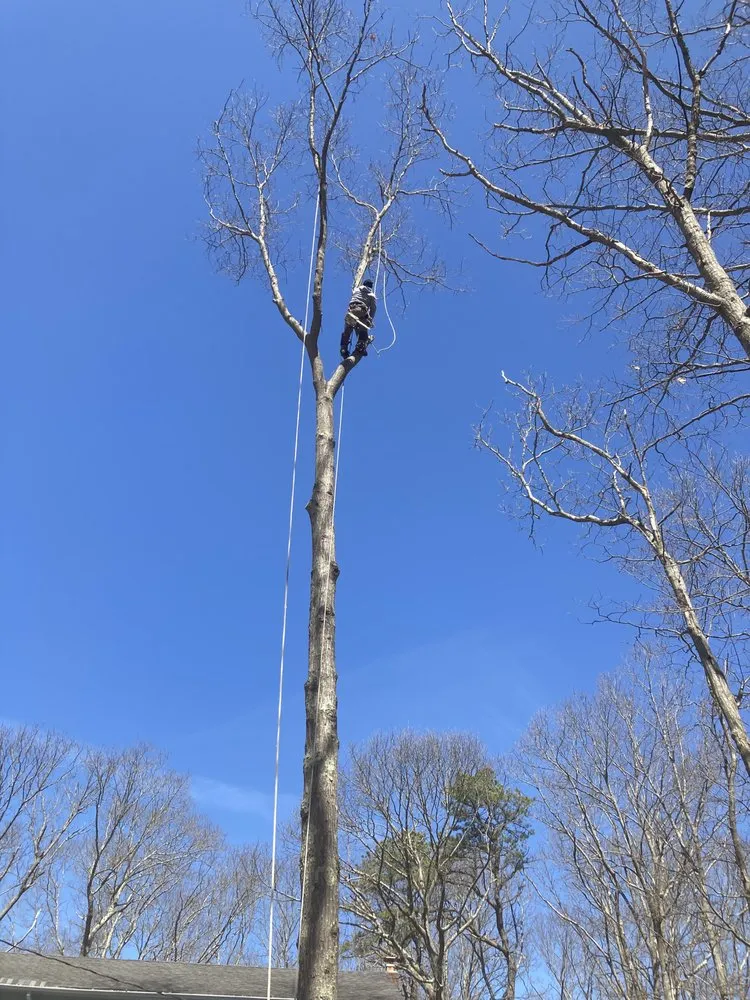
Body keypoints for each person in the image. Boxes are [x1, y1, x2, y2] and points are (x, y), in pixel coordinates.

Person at [340, 278, 377, 359]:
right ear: (371, 286)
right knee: (363, 328)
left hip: (351, 311)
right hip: (361, 310)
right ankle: (361, 345)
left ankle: (343, 347)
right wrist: (370, 319)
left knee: (348, 330)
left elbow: (354, 291)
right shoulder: (371, 294)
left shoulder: (356, 290)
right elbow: (373, 309)